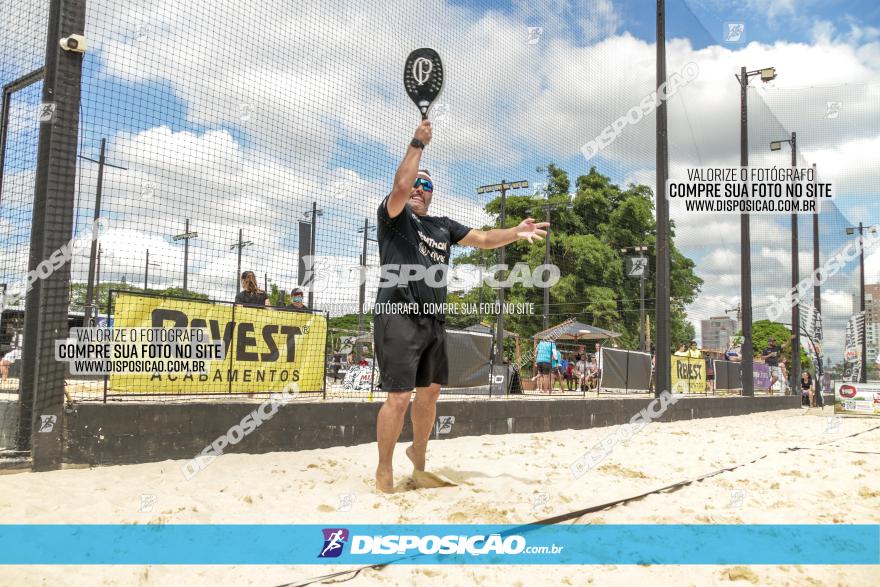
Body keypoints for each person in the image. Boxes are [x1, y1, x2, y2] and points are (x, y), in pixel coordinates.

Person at [373, 119, 548, 493]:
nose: (419, 188)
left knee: (431, 393)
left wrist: (516, 232)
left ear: (433, 194)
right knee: (400, 397)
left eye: (427, 185)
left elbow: (484, 238)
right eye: (416, 183)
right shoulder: (394, 217)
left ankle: (418, 464)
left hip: (434, 323)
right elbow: (401, 185)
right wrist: (418, 142)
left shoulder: (441, 226)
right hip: (398, 316)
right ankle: (383, 472)